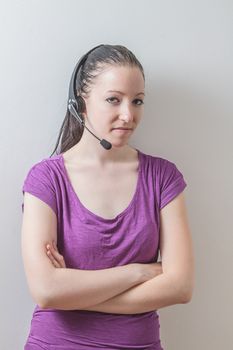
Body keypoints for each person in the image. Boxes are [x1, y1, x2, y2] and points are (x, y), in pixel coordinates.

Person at [21, 44, 195, 350]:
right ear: (81, 102)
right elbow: (46, 291)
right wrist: (139, 271)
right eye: (113, 100)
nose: (128, 115)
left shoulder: (163, 177)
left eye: (137, 101)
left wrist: (73, 293)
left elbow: (180, 287)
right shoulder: (45, 179)